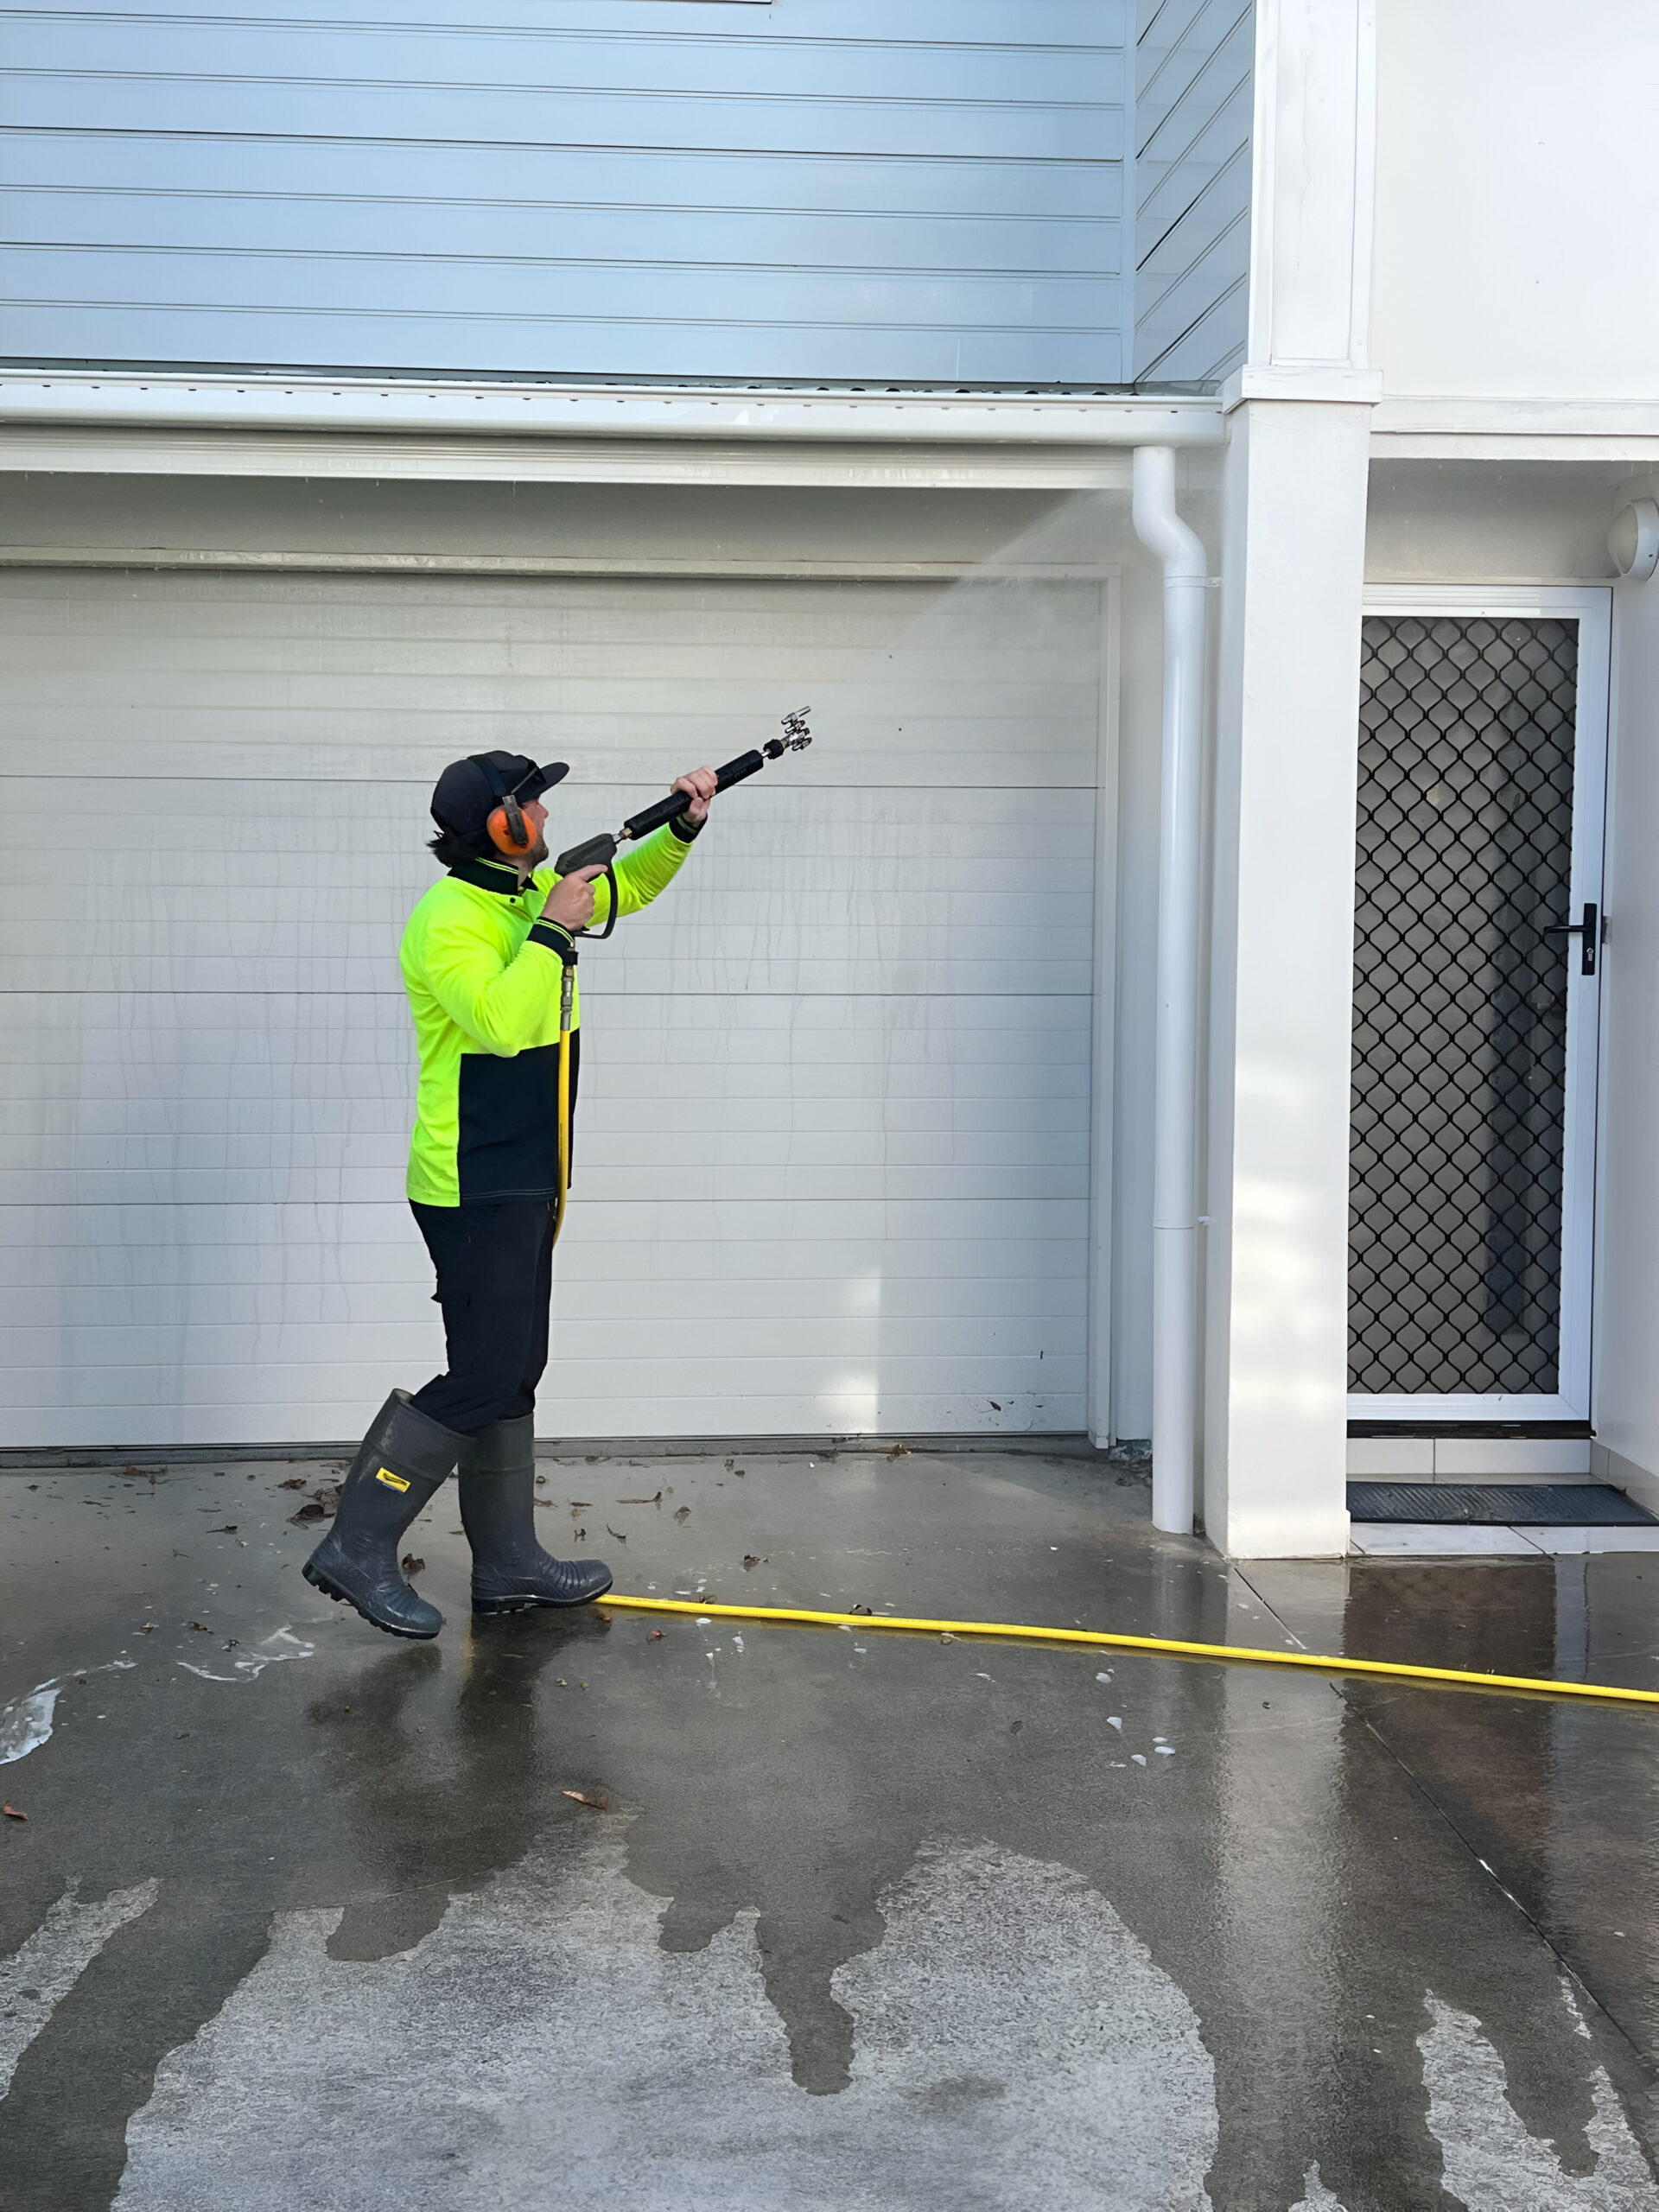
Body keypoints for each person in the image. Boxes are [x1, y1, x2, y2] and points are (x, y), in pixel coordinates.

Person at [303, 749, 718, 1638]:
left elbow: (626, 889)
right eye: (533, 798)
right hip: (470, 1182)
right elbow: (499, 1024)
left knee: (514, 1371)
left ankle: (508, 1566)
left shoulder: (523, 894)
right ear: (500, 823)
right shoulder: (448, 919)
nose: (543, 808)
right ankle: (356, 1545)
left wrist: (682, 827)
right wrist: (553, 932)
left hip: (524, 1173)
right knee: (485, 1372)